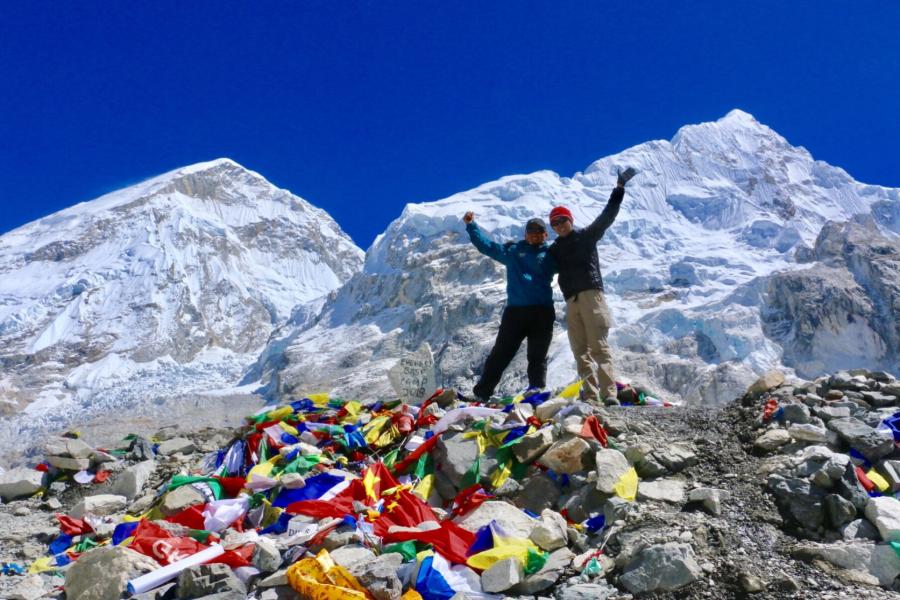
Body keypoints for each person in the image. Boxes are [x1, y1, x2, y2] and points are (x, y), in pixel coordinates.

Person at [548, 167, 637, 405]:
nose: (559, 225)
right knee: (580, 351)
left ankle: (609, 394)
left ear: (570, 220)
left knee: (598, 346)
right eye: (554, 222)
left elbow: (607, 216)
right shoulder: (554, 249)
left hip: (591, 295)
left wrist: (619, 188)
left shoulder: (586, 236)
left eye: (562, 220)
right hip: (572, 301)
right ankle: (590, 395)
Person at [462, 212, 558, 401]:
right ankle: (482, 393)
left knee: (537, 355)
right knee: (500, 354)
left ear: (545, 235)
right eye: (531, 231)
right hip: (516, 312)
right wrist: (471, 225)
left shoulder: (551, 255)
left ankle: (536, 391)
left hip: (543, 312)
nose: (535, 234)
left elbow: (571, 263)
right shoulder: (513, 252)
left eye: (539, 231)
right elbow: (487, 246)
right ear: (525, 234)